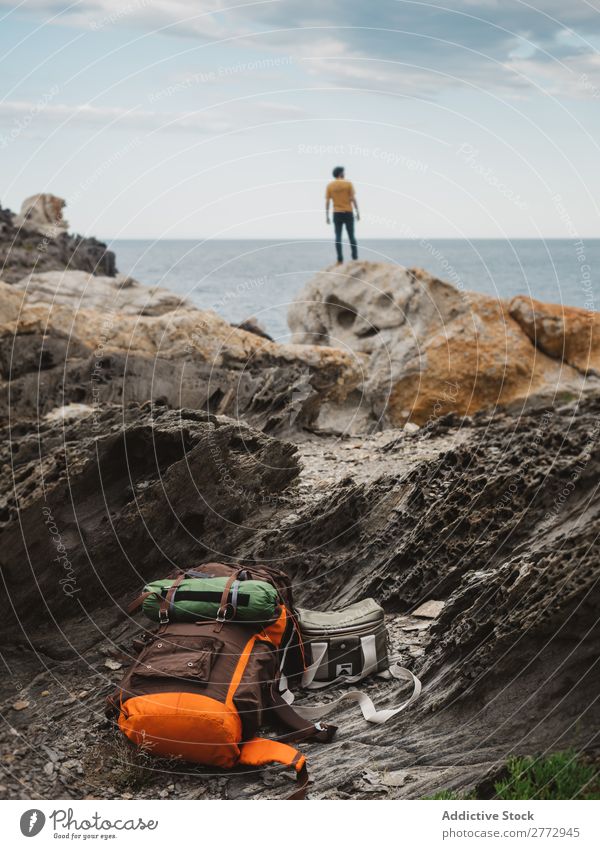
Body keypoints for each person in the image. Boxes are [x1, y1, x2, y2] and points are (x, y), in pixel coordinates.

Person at [325, 166, 359, 264]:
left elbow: (327, 201)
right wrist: (357, 212)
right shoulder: (348, 184)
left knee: (338, 237)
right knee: (351, 236)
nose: (344, 174)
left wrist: (326, 216)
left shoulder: (330, 186)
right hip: (348, 212)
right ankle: (355, 257)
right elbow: (353, 199)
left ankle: (340, 259)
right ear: (340, 173)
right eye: (343, 173)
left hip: (337, 213)